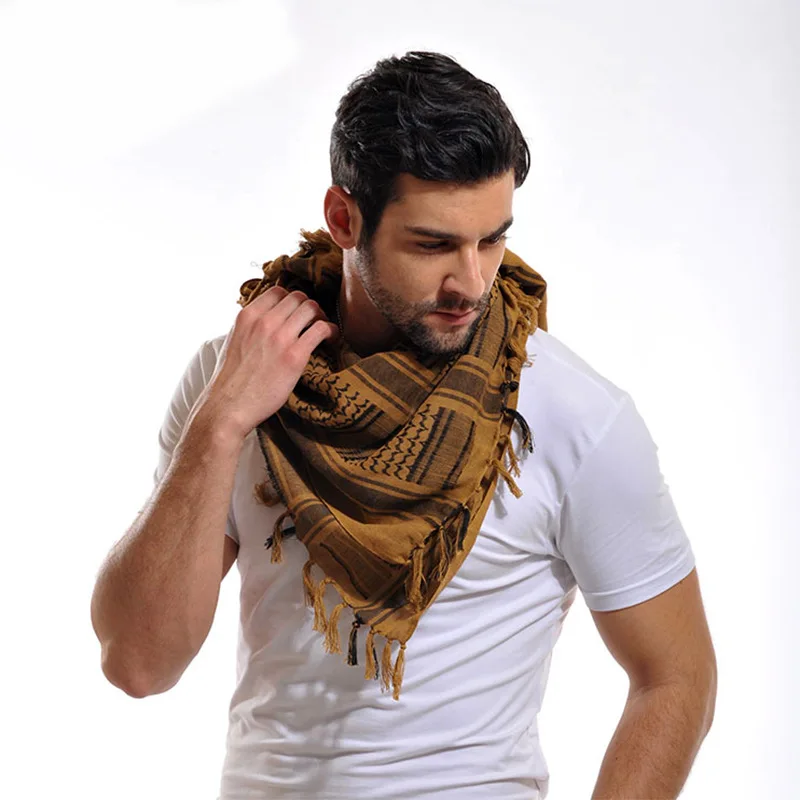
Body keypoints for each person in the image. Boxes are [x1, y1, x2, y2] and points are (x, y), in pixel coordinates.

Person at [91, 50, 717, 800]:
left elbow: (677, 676)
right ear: (343, 219)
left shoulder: (569, 410)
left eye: (492, 239)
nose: (472, 282)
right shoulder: (236, 381)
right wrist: (221, 421)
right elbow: (139, 662)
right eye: (433, 244)